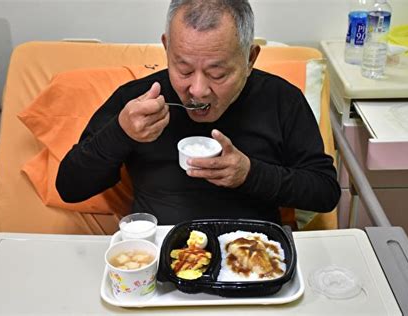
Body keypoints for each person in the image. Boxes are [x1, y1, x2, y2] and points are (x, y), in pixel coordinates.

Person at [56, 0, 340, 225]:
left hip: (254, 257)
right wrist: (120, 134)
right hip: (158, 256)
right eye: (184, 69)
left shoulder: (281, 99)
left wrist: (250, 174)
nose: (198, 89)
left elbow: (325, 192)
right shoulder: (137, 102)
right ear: (167, 48)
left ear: (250, 58)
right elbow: (70, 187)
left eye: (218, 73)